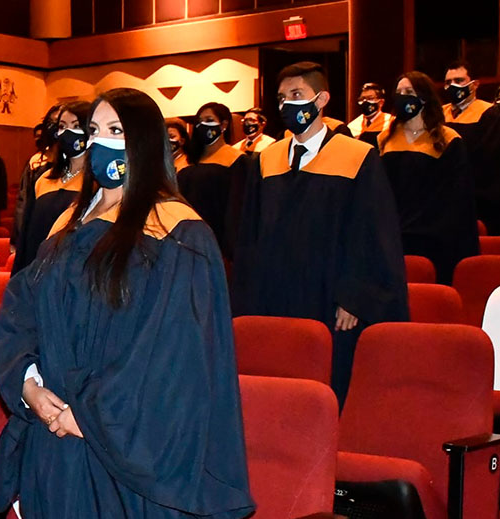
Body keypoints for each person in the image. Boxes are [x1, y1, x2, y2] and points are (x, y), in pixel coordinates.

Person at [0, 87, 265, 519]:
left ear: (144, 142)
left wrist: (86, 413)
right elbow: (17, 317)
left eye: (115, 128)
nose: (100, 141)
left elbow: (171, 353)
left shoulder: (178, 233)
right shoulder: (66, 224)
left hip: (128, 457)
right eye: (94, 129)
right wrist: (31, 389)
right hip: (58, 451)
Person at [232, 61, 407, 403]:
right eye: (282, 98)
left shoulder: (357, 157)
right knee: (279, 382)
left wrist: (354, 297)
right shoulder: (268, 160)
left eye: (297, 95)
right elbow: (250, 236)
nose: (288, 105)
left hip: (330, 298)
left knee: (326, 386)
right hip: (276, 296)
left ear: (322, 99)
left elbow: (372, 234)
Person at [380, 72, 478, 284]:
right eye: (398, 93)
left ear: (424, 97)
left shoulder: (448, 140)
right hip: (393, 237)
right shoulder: (384, 140)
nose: (403, 97)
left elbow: (457, 198)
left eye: (409, 92)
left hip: (434, 239)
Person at [13, 102, 89, 274]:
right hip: (38, 274)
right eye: (62, 126)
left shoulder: (98, 185)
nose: (68, 132)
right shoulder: (44, 179)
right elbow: (28, 239)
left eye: (76, 126)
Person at [177, 101, 248, 259]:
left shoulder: (236, 160)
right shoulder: (189, 160)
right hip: (186, 238)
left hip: (217, 242)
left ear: (224, 125)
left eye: (209, 120)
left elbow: (237, 210)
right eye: (199, 121)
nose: (203, 125)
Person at [443, 60, 500, 234]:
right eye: (448, 82)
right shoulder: (438, 114)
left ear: (475, 84)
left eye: (459, 81)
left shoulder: (489, 114)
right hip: (443, 195)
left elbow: (489, 161)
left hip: (476, 197)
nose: (453, 86)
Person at [14, 106, 62, 247]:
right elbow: (23, 205)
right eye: (53, 124)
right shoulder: (37, 163)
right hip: (38, 238)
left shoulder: (87, 167)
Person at [348, 82, 393, 146]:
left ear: (381, 102)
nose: (365, 102)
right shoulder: (354, 125)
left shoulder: (391, 122)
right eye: (362, 99)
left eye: (370, 98)